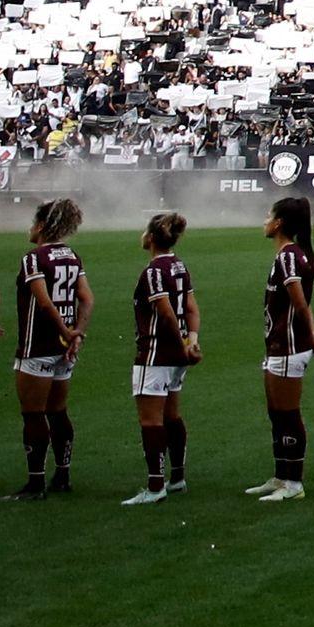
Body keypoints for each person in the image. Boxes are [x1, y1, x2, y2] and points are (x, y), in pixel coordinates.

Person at [11, 197, 91, 500]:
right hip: (64, 349)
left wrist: (65, 331)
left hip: (38, 345)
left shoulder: (34, 258)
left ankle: (35, 483)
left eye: (34, 222)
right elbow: (87, 298)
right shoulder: (72, 256)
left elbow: (43, 301)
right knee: (58, 412)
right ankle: (62, 474)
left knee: (33, 414)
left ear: (42, 225)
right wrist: (77, 334)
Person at [251, 195, 314, 501]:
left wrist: (310, 335)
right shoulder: (288, 254)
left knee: (288, 413)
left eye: (268, 215)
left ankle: (293, 483)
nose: (264, 221)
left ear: (279, 222)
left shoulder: (289, 256)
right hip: (278, 344)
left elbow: (299, 301)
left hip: (289, 345)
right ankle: (281, 476)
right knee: (276, 412)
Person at [122, 211, 198, 505]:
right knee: (172, 415)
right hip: (177, 355)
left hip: (155, 353)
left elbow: (165, 312)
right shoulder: (179, 266)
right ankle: (177, 477)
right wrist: (192, 341)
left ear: (151, 238)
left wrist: (181, 347)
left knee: (151, 420)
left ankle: (155, 487)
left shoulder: (153, 272)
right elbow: (191, 308)